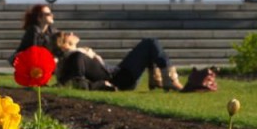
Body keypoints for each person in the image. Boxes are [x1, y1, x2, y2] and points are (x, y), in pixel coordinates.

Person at [54, 31, 183, 91]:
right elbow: (78, 82)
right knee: (150, 43)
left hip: (118, 74)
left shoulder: (78, 55)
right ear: (66, 44)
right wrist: (101, 86)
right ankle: (169, 79)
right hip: (120, 79)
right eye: (67, 34)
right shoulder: (77, 57)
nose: (71, 32)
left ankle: (157, 79)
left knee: (149, 44)